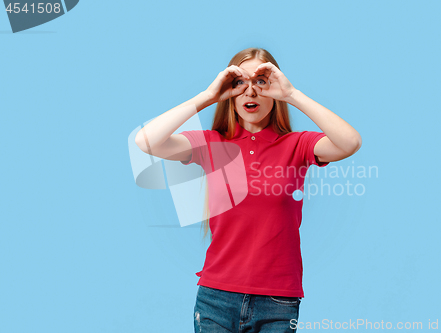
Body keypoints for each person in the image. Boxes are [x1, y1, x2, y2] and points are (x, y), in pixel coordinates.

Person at [135, 47, 362, 332]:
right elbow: (146, 142)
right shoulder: (211, 145)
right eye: (240, 82)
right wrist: (207, 96)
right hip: (215, 298)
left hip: (278, 300)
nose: (250, 92)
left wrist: (291, 94)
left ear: (275, 90)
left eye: (261, 82)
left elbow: (350, 142)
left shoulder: (297, 145)